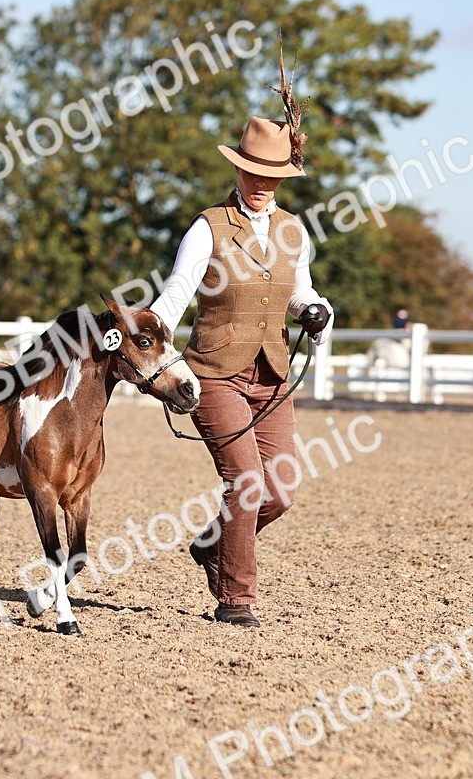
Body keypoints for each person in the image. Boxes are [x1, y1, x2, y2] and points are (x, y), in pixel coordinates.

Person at [153, 115, 333, 628]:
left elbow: (299, 294)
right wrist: (148, 341)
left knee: (281, 490)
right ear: (237, 170)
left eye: (272, 176)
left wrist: (314, 310)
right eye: (253, 173)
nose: (261, 185)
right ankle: (236, 599)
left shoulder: (292, 230)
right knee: (247, 482)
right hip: (214, 372)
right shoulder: (207, 227)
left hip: (272, 373)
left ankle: (214, 544)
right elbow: (176, 295)